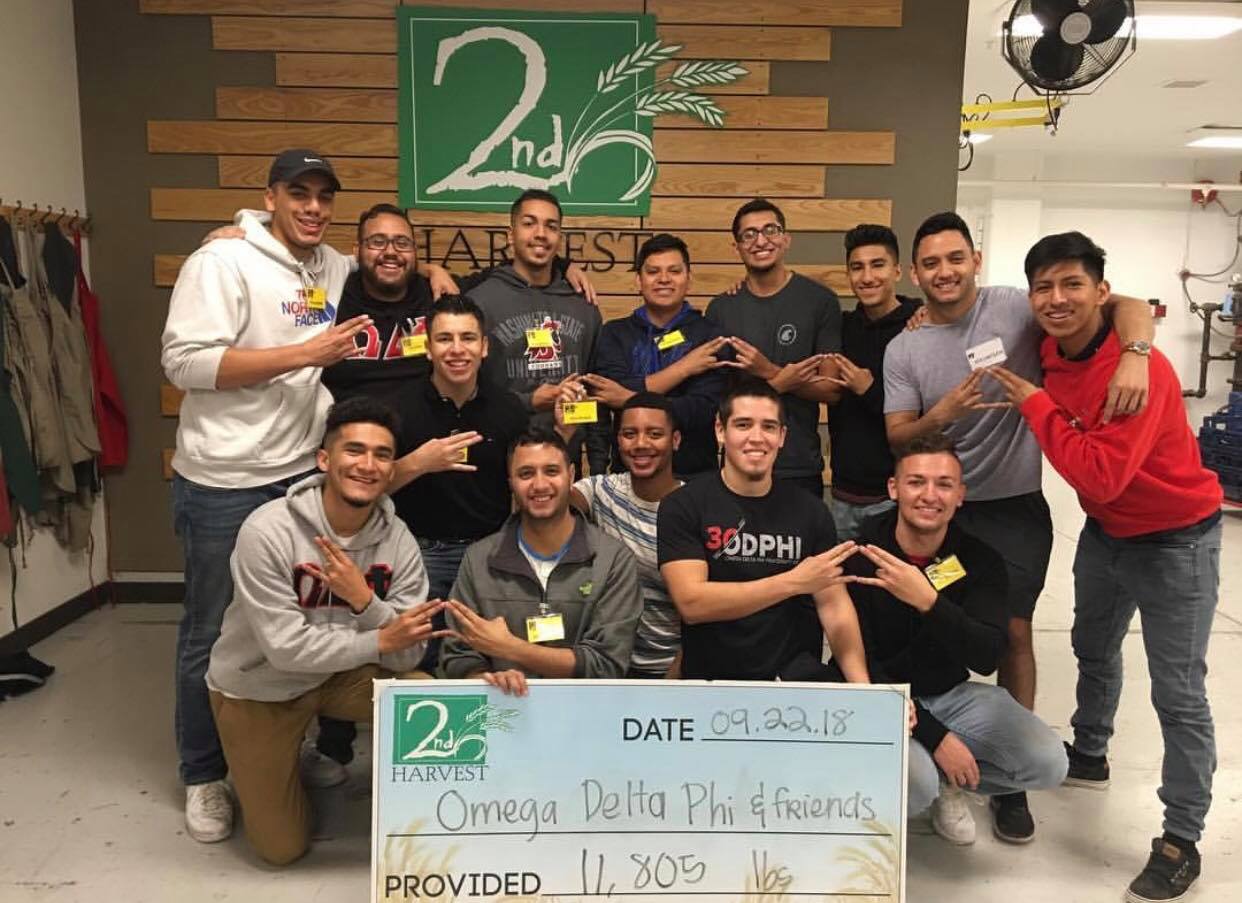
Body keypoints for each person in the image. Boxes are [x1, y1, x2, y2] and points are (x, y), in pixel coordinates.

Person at [882, 211, 1153, 837]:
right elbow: (898, 435)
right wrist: (943, 413)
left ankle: (1011, 784)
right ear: (915, 273)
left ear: (975, 260)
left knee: (1014, 630)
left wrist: (1136, 354)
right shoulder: (906, 345)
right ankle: (929, 734)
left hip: (1011, 508)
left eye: (955, 258)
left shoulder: (1016, 307)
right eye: (931, 263)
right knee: (922, 617)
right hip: (939, 506)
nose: (944, 272)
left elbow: (1125, 303)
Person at [988, 231, 1221, 903]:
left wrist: (1039, 403)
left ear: (1100, 290)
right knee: (1092, 647)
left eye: (1072, 284)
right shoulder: (1053, 346)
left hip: (1178, 541)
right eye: (1044, 287)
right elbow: (1129, 307)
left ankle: (1181, 839)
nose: (1056, 299)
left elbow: (1099, 475)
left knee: (1178, 694)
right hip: (1108, 534)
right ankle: (1090, 750)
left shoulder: (1140, 372)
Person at [160, 148, 368, 843]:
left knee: (303, 618)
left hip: (302, 478)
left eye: (324, 196)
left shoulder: (330, 266)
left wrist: (433, 269)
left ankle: (284, 746)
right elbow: (184, 362)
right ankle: (203, 773)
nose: (313, 207)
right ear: (271, 196)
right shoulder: (221, 261)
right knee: (212, 628)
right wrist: (305, 354)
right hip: (225, 478)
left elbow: (386, 265)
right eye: (299, 193)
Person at [205, 397, 439, 865]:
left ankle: (434, 818)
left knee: (423, 695)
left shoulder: (398, 540)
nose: (367, 465)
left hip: (337, 677)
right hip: (260, 687)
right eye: (354, 450)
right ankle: (272, 763)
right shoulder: (268, 530)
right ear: (324, 460)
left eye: (382, 454)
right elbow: (285, 650)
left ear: (391, 468)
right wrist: (379, 638)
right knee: (281, 850)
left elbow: (407, 655)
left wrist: (364, 601)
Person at [844, 433, 1067, 846]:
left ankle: (950, 781)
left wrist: (929, 601)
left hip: (952, 695)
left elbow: (986, 655)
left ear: (960, 495)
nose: (930, 495)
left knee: (1048, 762)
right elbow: (858, 661)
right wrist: (935, 737)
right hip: (881, 698)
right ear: (894, 488)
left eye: (944, 484)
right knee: (916, 785)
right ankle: (932, 778)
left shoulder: (979, 559)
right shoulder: (860, 556)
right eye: (916, 482)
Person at [656, 379, 865, 683]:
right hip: (710, 682)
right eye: (743, 425)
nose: (756, 438)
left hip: (790, 687)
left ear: (782, 437)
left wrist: (864, 689)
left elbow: (834, 607)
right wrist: (793, 582)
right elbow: (692, 603)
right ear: (720, 431)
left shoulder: (812, 511)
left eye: (768, 427)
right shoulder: (683, 505)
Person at [321, 203, 597, 411]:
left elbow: (518, 267)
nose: (391, 251)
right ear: (356, 251)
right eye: (378, 242)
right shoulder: (334, 292)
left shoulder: (438, 293)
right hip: (351, 439)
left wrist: (563, 265)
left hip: (421, 436)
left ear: (415, 251)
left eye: (402, 243)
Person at [438, 428, 642, 695]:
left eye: (551, 471)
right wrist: (485, 678)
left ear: (571, 475)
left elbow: (607, 664)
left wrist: (511, 649)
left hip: (586, 710)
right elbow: (457, 654)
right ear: (510, 482)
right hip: (503, 707)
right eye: (526, 474)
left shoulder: (612, 559)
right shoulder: (479, 559)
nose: (540, 485)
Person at [705, 199, 842, 498]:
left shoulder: (820, 301)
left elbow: (831, 390)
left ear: (786, 238)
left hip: (798, 466)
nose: (761, 241)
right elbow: (717, 395)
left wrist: (768, 371)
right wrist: (780, 383)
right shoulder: (721, 309)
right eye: (749, 234)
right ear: (737, 247)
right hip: (737, 465)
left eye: (770, 230)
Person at [466, 189, 607, 474]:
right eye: (529, 223)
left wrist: (598, 465)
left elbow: (596, 392)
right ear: (510, 235)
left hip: (566, 464)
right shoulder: (479, 303)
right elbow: (468, 394)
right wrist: (530, 402)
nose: (541, 234)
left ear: (560, 238)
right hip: (497, 464)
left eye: (551, 226)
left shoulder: (583, 305)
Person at [585, 233, 729, 480]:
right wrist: (683, 369)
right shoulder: (614, 333)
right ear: (638, 280)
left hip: (695, 477)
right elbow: (610, 391)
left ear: (689, 279)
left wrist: (628, 398)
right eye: (653, 272)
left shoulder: (711, 336)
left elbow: (700, 409)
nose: (664, 279)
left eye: (674, 271)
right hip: (627, 476)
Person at [564, 392, 685, 679]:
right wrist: (564, 435)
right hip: (606, 667)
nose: (641, 444)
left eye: (654, 434)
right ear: (618, 440)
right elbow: (548, 503)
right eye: (630, 434)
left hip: (673, 669)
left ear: (675, 440)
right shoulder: (600, 491)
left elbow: (703, 612)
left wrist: (676, 678)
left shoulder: (695, 506)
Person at [823, 224, 922, 538]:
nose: (867, 277)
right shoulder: (841, 327)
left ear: (897, 271)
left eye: (877, 265)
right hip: (843, 495)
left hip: (897, 495)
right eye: (857, 267)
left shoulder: (920, 325)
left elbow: (927, 416)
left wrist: (868, 390)